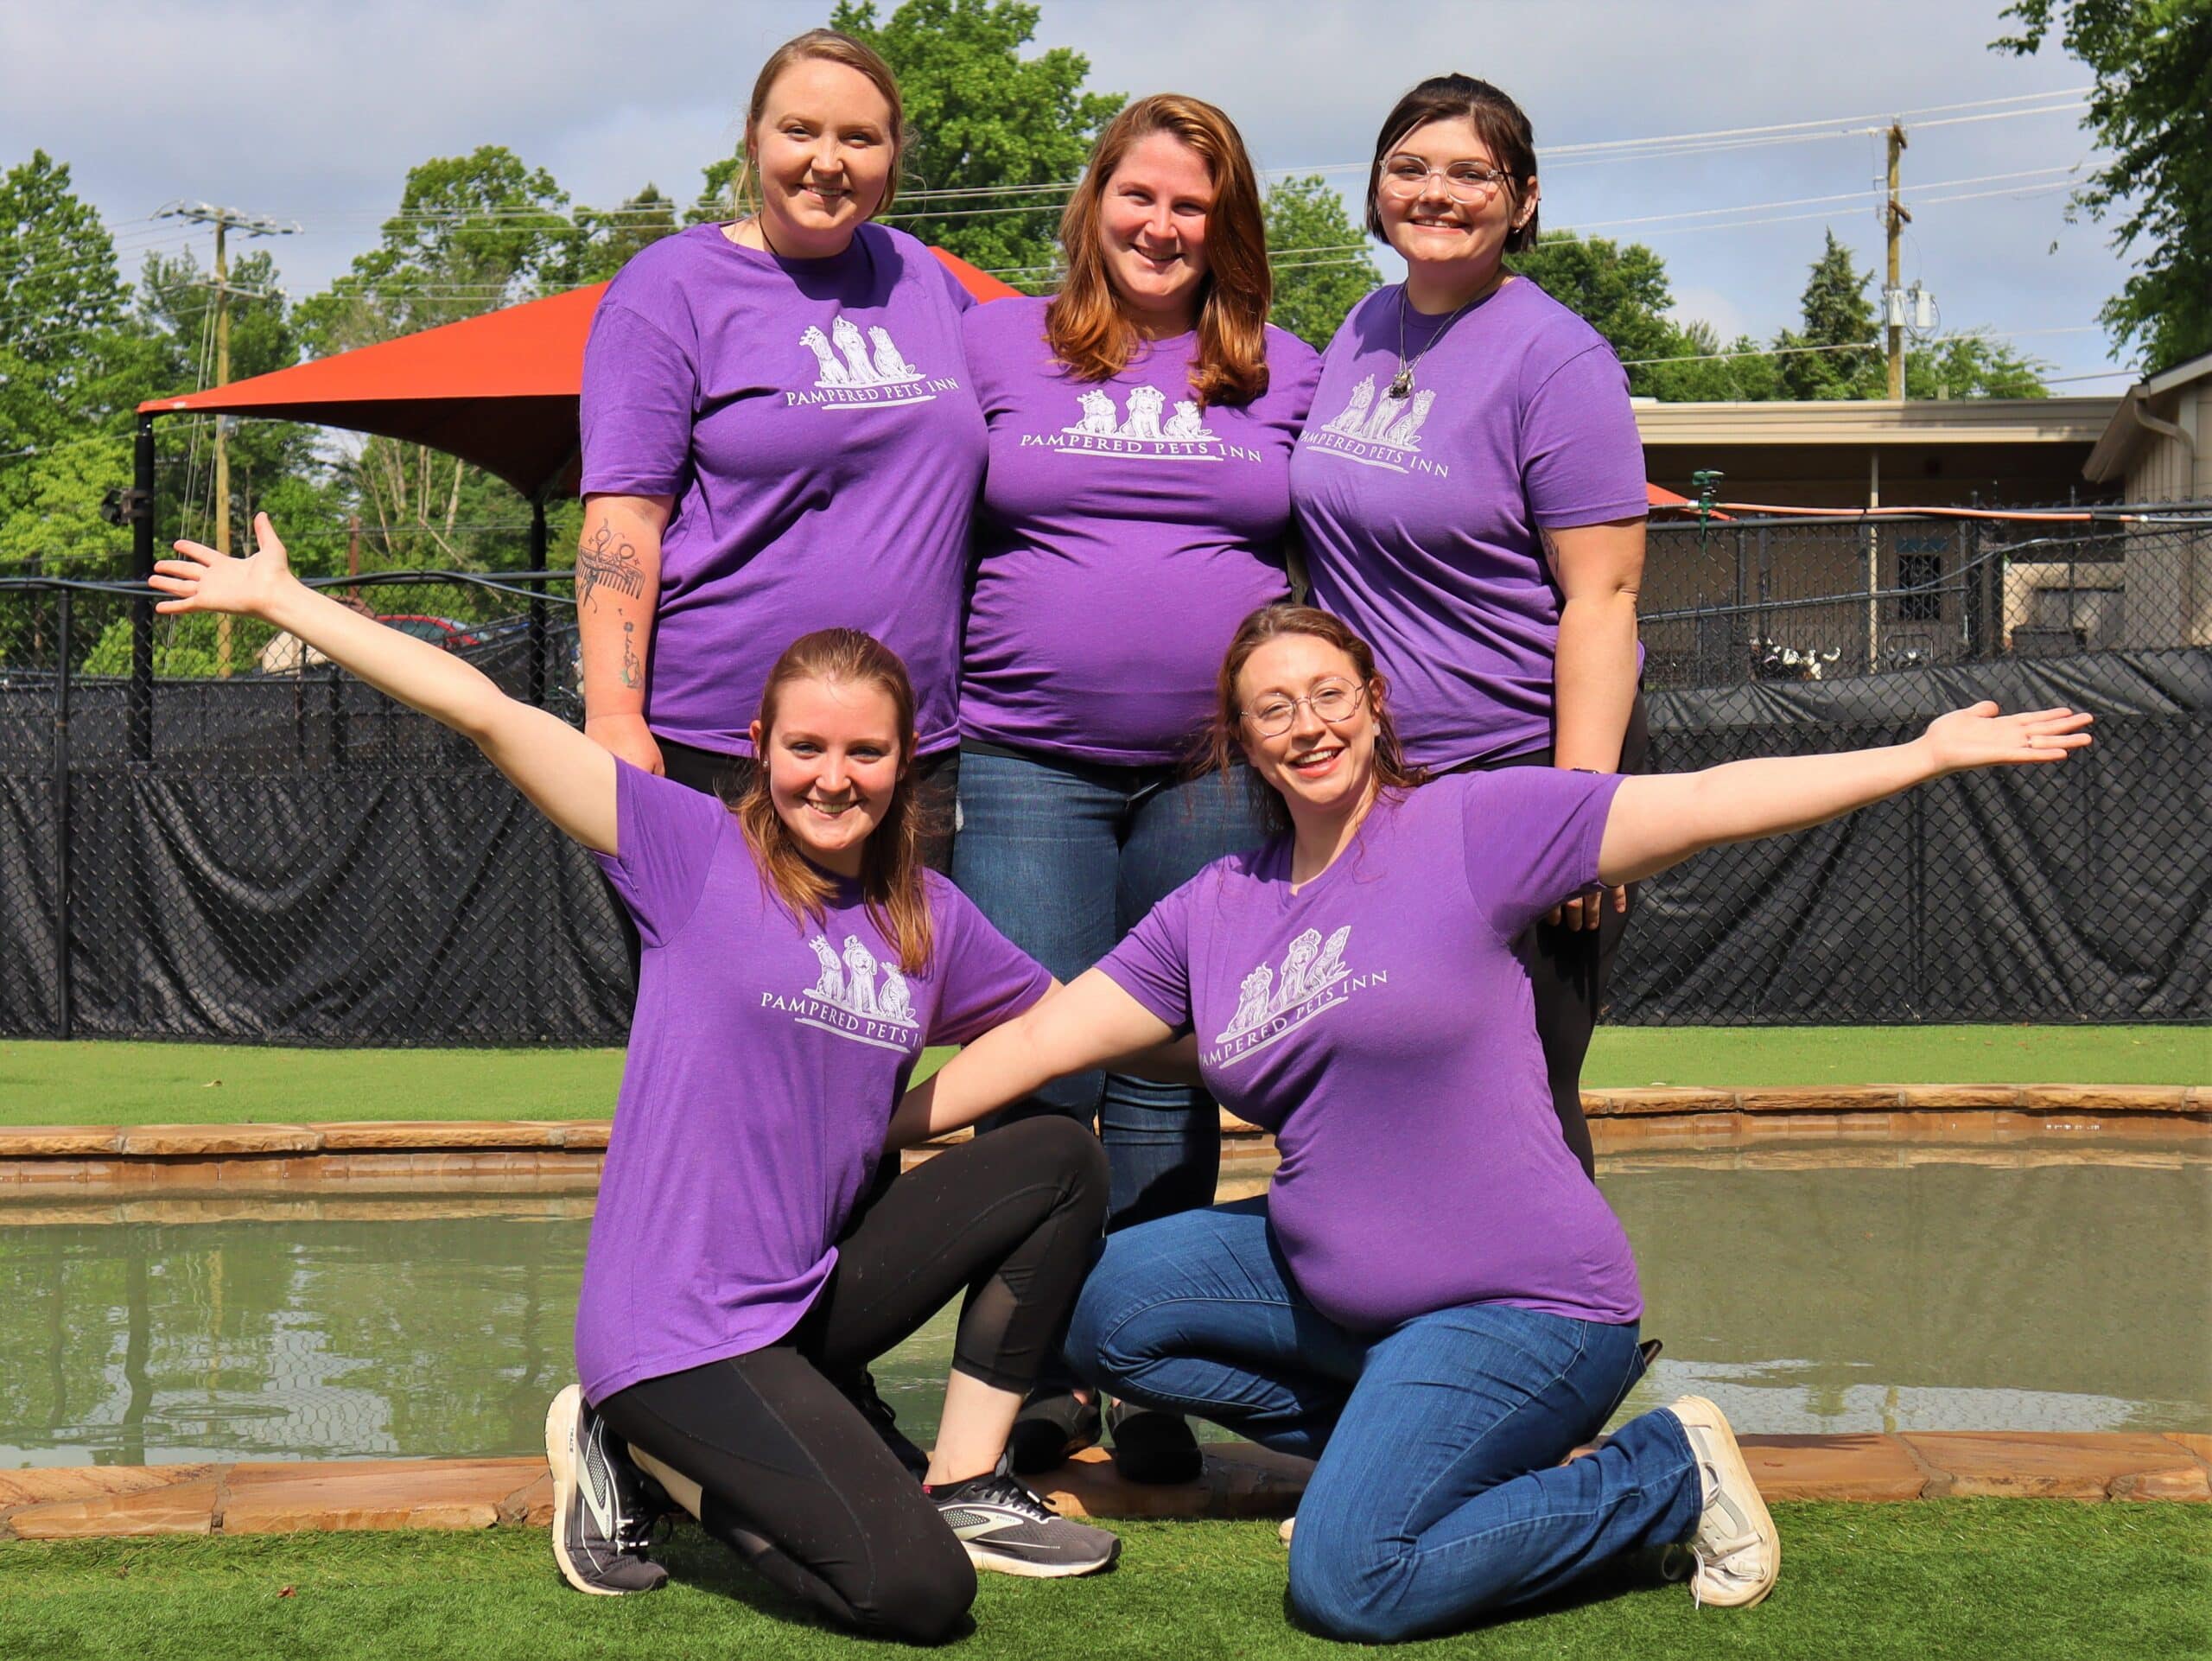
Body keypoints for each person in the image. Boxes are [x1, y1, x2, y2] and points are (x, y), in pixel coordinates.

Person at [891, 602, 2091, 1642]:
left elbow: (1711, 800)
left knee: (1353, 1579)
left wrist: (1919, 754)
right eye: (1273, 708)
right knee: (1105, 1303)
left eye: (1327, 694)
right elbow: (1045, 1038)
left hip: (1526, 1305)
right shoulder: (1219, 906)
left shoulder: (1470, 828)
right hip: (1335, 1292)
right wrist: (879, 1131)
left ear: (1371, 703)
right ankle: (1401, 1451)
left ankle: (1662, 1472)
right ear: (1243, 739)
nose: (1306, 723)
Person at [151, 517, 1121, 1645]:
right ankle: (648, 1453)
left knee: (1057, 1157)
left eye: (865, 752)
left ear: (905, 761)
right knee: (920, 1594)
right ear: (762, 744)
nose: (834, 777)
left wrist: (903, 1115)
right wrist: (286, 601)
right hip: (679, 1334)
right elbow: (487, 710)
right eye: (808, 746)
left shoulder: (928, 918)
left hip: (806, 1296)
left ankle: (961, 1477)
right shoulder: (689, 851)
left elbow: (1070, 1023)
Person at [954, 93, 1322, 1483]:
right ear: (1095, 202)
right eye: (1142, 196)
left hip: (1214, 775)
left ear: (1229, 230)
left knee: (1179, 1072)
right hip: (1027, 758)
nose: (1164, 226)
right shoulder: (997, 341)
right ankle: (1033, 1374)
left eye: (1195, 206)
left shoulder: (1286, 369)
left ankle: (1144, 1358)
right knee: (1041, 1066)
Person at [1292, 74, 1650, 1177]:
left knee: (1518, 1094)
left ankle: (1569, 1335)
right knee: (1378, 1079)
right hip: (1374, 791)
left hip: (1515, 775)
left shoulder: (1559, 359)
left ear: (1523, 199)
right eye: (1409, 166)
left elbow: (1604, 597)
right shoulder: (1361, 326)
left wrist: (1577, 809)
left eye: (1469, 172)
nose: (1434, 193)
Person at [577, 27, 983, 863]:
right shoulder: (667, 290)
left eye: (858, 138)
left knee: (892, 994)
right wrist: (613, 718)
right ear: (753, 139)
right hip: (723, 752)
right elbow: (622, 521)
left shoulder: (926, 280)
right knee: (725, 993)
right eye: (800, 131)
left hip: (905, 756)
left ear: (893, 157)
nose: (827, 161)